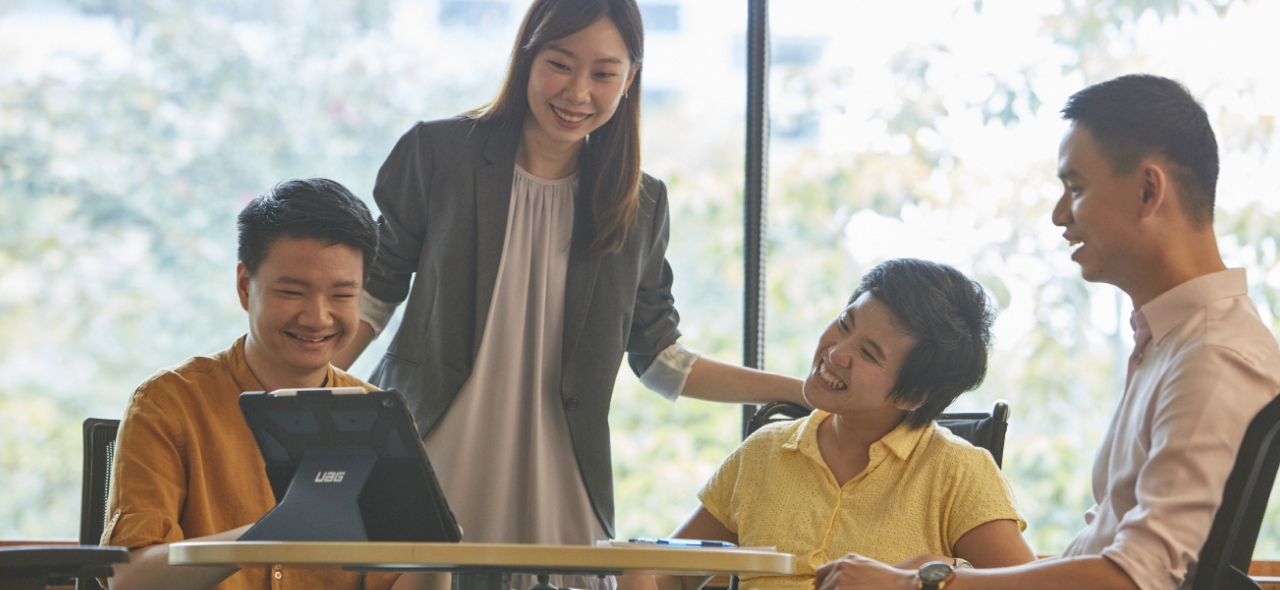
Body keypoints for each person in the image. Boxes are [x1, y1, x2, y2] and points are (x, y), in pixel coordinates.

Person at [330, 1, 803, 585]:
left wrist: (803, 391)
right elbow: (372, 300)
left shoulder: (641, 203)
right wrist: (281, 400)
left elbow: (660, 361)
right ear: (526, 56)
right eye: (559, 64)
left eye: (604, 73)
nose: (578, 92)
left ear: (630, 79)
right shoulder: (438, 154)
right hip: (428, 459)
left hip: (557, 485)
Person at [811, 76, 1280, 590]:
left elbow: (1134, 578)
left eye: (1076, 189)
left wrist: (921, 586)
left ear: (1148, 190)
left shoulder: (1212, 356)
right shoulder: (1171, 343)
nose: (1060, 216)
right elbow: (1113, 551)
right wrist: (939, 571)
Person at [103, 179, 426, 590]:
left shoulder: (379, 418)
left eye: (343, 295)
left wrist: (434, 556)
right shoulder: (168, 403)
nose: (318, 317)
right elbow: (129, 579)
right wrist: (272, 533)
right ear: (244, 287)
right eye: (293, 292)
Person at [644, 259, 1035, 590]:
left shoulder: (959, 472)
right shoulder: (765, 451)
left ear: (912, 394)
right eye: (845, 324)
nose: (836, 352)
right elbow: (669, 573)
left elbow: (1026, 584)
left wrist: (932, 576)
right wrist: (641, 571)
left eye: (868, 353)